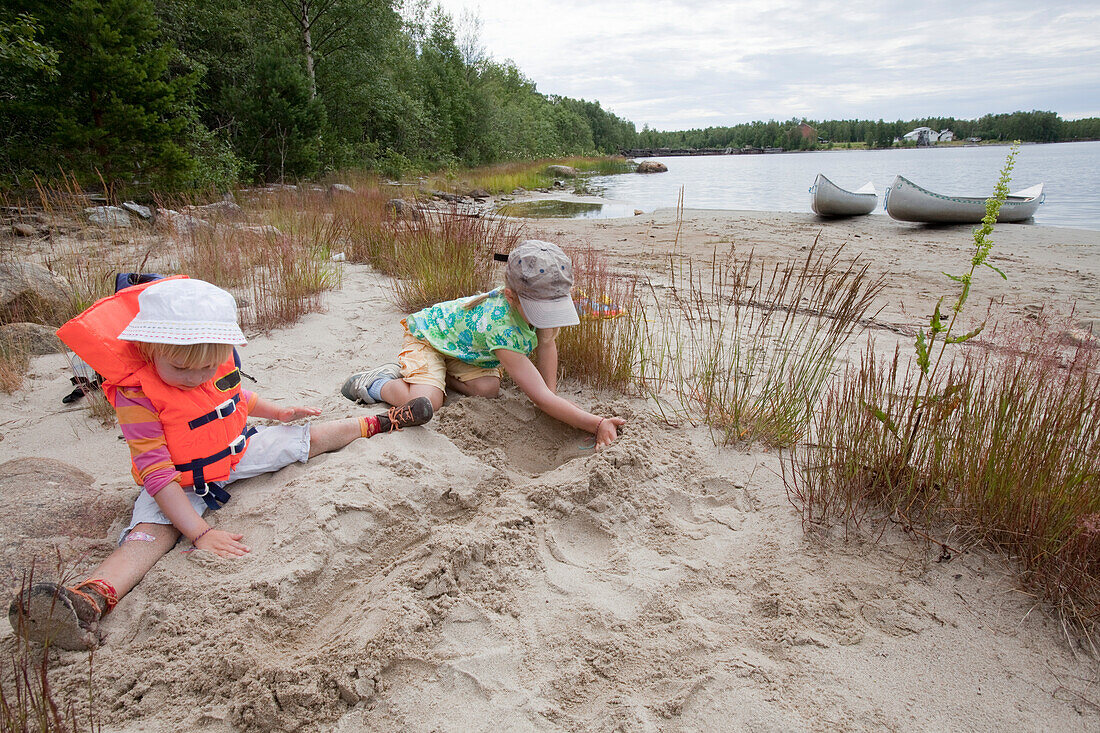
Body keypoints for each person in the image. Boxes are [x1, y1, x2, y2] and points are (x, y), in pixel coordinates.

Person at [9, 277, 432, 650]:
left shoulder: (211, 364)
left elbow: (233, 398)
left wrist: (277, 412)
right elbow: (156, 473)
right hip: (178, 483)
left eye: (208, 365)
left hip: (235, 451)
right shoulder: (138, 396)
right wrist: (200, 532)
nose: (196, 377)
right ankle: (88, 598)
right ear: (149, 347)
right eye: (181, 368)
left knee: (311, 438)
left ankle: (381, 420)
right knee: (148, 536)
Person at [341, 239, 624, 449]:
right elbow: (538, 397)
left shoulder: (539, 303)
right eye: (541, 310)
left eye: (554, 308)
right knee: (428, 402)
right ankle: (376, 382)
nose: (548, 318)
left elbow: (547, 347)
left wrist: (552, 397)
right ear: (512, 296)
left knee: (487, 390)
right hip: (429, 338)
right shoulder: (500, 325)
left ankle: (439, 375)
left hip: (464, 352)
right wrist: (596, 422)